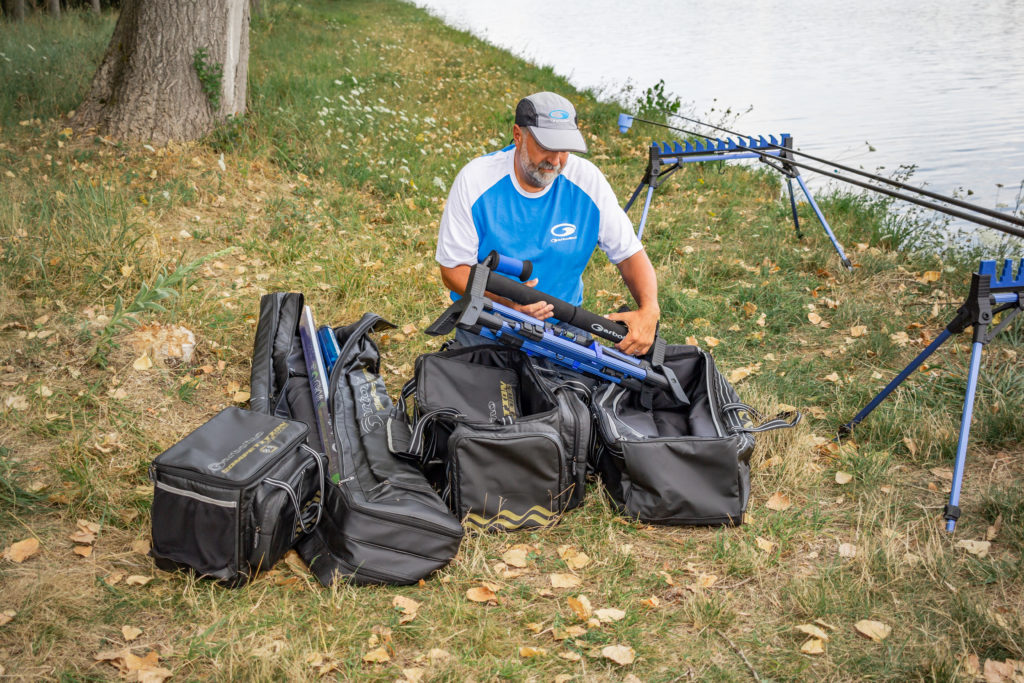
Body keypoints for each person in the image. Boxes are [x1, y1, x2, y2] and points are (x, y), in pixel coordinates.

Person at [435, 91, 660, 356]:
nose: (555, 160)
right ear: (518, 136)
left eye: (564, 149)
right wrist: (508, 304)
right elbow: (453, 269)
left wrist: (649, 309)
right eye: (546, 147)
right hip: (489, 319)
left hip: (564, 323)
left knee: (576, 395)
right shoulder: (476, 180)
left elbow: (629, 253)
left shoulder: (587, 181)